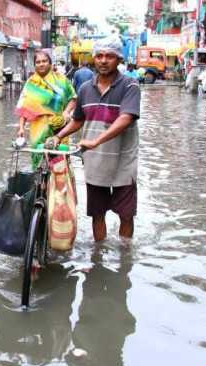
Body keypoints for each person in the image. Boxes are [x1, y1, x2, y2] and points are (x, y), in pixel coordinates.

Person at [54, 36, 141, 242]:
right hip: (94, 163)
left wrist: (96, 141)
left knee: (126, 215)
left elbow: (126, 118)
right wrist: (57, 136)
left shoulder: (130, 86)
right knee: (97, 214)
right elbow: (77, 121)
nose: (103, 60)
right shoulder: (85, 89)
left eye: (109, 56)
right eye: (99, 56)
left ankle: (124, 257)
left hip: (123, 162)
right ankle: (99, 255)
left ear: (119, 59)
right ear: (94, 58)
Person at [15, 51, 76, 167]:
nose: (41, 64)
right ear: (34, 65)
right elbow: (24, 107)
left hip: (59, 129)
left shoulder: (61, 80)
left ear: (50, 63)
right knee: (39, 165)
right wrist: (21, 128)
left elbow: (73, 98)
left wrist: (66, 112)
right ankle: (39, 183)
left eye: (44, 61)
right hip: (38, 130)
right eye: (38, 62)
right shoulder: (31, 83)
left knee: (59, 165)